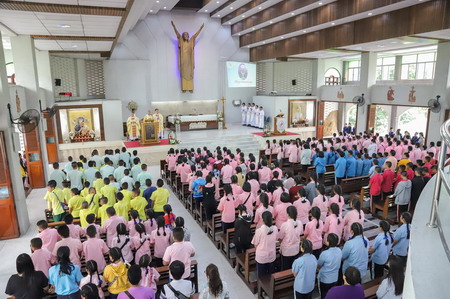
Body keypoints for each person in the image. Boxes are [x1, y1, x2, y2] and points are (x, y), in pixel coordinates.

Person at [252, 211, 278, 278]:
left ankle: (261, 287)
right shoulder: (275, 228)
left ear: (262, 219)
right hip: (272, 255)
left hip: (261, 257)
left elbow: (255, 244)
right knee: (270, 274)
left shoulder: (259, 231)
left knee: (261, 276)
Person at [317, 234, 342, 299]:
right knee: (333, 295)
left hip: (325, 279)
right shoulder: (339, 250)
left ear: (328, 242)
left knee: (324, 295)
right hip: (335, 278)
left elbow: (319, 265)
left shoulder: (325, 253)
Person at [278, 206, 303, 270]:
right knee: (294, 268)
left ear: (288, 214)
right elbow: (300, 234)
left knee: (285, 269)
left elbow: (280, 237)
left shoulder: (285, 225)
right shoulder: (300, 223)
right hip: (296, 249)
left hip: (287, 251)